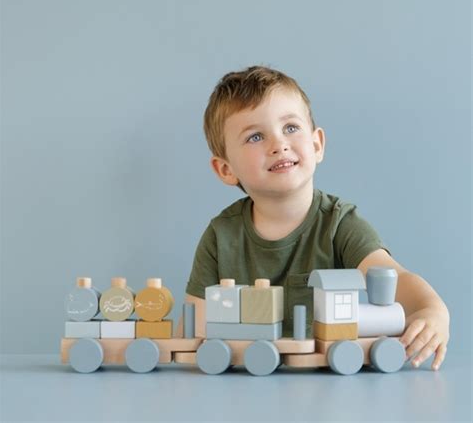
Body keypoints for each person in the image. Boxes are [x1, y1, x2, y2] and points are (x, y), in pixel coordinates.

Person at [181, 65, 450, 371]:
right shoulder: (220, 235)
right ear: (226, 169)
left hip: (326, 378)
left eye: (290, 128)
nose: (278, 144)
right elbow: (195, 329)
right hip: (248, 374)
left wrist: (432, 310)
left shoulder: (340, 223)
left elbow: (393, 276)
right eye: (255, 137)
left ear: (317, 144)